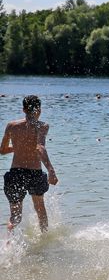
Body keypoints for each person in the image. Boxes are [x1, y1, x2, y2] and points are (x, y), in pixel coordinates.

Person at [0, 95, 58, 233]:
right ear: (39, 110)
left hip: (15, 173)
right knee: (40, 210)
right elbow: (40, 148)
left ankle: (7, 245)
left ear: (23, 109)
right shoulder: (42, 126)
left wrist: (18, 147)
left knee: (15, 216)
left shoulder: (11, 126)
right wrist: (51, 170)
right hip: (34, 173)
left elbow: (2, 150)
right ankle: (44, 240)